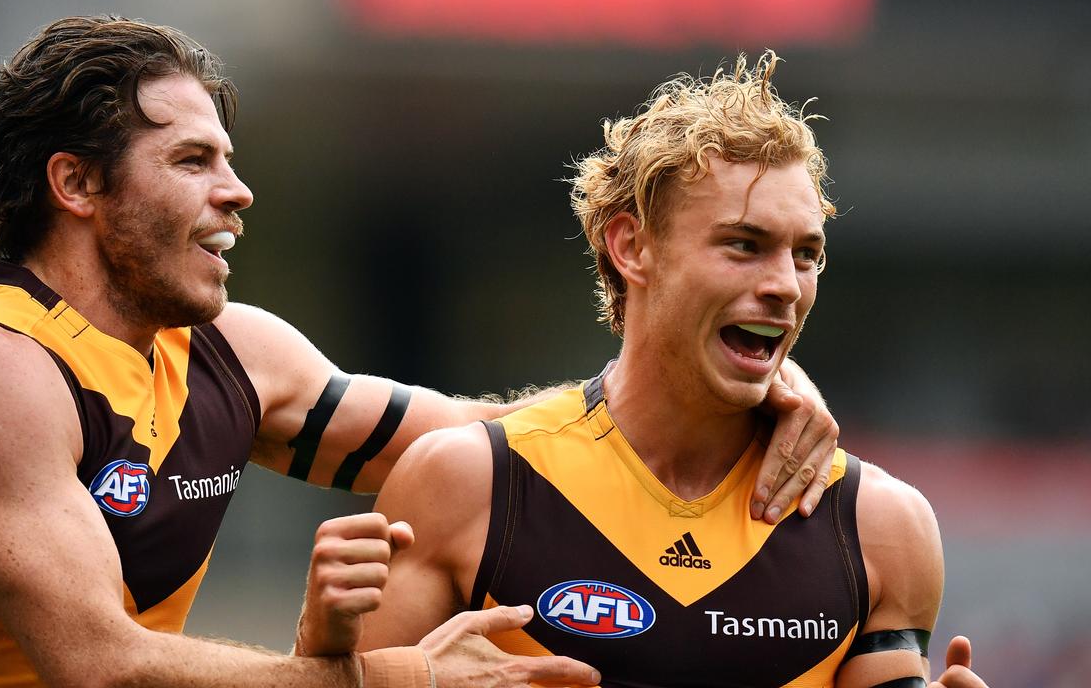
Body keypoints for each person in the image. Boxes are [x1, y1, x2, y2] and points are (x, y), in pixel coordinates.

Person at [0, 18, 839, 688]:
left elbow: (510, 447)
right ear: (76, 185)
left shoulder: (234, 353)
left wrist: (726, 376)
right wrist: (361, 677)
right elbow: (99, 664)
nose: (237, 193)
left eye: (229, 160)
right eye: (192, 161)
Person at [359, 52, 991, 688]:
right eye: (744, 244)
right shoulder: (466, 485)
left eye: (806, 254)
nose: (785, 286)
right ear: (632, 247)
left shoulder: (881, 526)